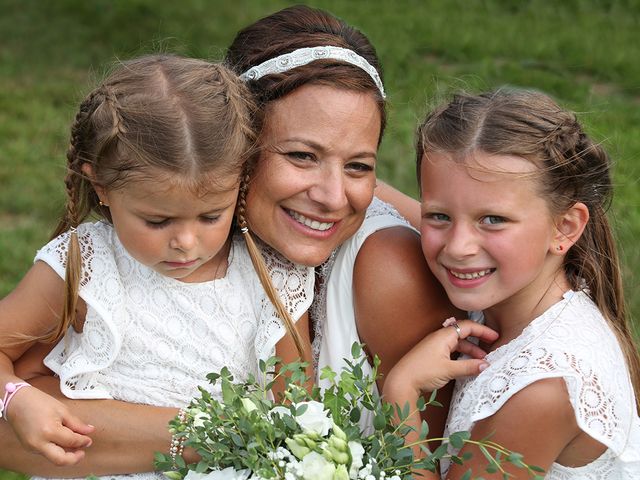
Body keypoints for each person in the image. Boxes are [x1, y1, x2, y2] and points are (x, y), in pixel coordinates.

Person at [0, 5, 457, 477]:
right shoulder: (104, 259)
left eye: (359, 165)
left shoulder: (352, 271)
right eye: (301, 155)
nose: (332, 196)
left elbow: (308, 421)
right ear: (237, 153)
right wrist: (17, 397)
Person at [0, 54, 313, 476]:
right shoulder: (85, 263)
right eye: (157, 220)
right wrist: (16, 396)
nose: (185, 242)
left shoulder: (273, 276)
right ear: (102, 187)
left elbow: (296, 414)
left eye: (210, 216)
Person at [383, 88, 640, 478]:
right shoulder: (532, 281)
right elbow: (381, 198)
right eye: (439, 216)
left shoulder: (542, 388)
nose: (458, 247)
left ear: (565, 227)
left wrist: (401, 389)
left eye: (493, 220)